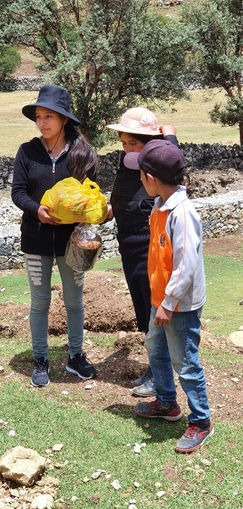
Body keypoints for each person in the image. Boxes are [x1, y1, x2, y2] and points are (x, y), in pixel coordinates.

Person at [12, 85, 98, 387]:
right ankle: (40, 359)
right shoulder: (27, 151)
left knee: (74, 300)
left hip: (71, 244)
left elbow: (89, 196)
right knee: (40, 301)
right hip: (35, 241)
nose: (42, 123)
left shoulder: (82, 153)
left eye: (49, 116)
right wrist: (37, 211)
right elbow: (18, 193)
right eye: (38, 116)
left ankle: (75, 356)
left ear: (63, 119)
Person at [133, 139, 214, 453]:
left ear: (152, 179)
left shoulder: (182, 213)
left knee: (186, 362)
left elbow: (185, 265)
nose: (140, 179)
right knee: (155, 347)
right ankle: (167, 403)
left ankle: (202, 421)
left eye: (141, 175)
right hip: (161, 299)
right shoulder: (160, 206)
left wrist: (168, 302)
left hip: (177, 304)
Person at [107, 108, 179, 396]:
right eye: (123, 143)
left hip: (150, 248)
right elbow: (124, 196)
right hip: (128, 246)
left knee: (154, 310)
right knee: (142, 310)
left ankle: (160, 374)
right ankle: (155, 367)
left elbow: (172, 150)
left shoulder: (159, 164)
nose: (127, 149)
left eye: (132, 144)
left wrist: (170, 134)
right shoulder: (128, 164)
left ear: (148, 143)